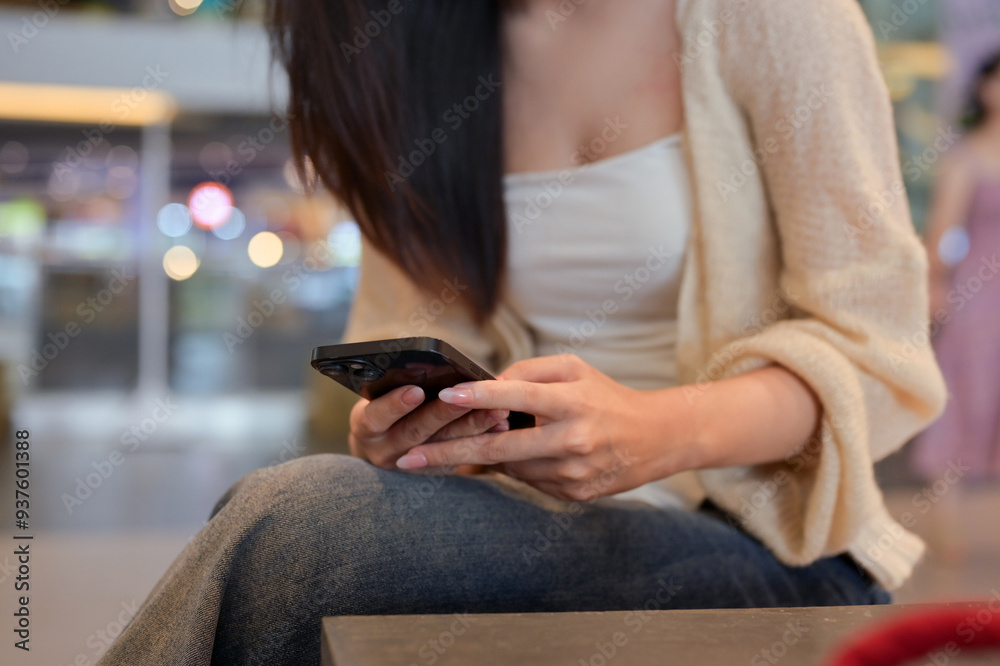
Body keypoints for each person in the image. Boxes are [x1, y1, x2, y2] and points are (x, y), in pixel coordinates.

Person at [99, 1, 947, 664]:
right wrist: (408, 431)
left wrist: (657, 432)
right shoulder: (422, 58)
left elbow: (882, 358)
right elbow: (411, 332)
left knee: (301, 528)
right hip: (529, 517)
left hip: (769, 545)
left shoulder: (772, 17)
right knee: (303, 528)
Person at [910, 50, 1000, 559]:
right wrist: (936, 284)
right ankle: (947, 524)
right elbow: (944, 230)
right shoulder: (965, 156)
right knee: (964, 393)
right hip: (979, 296)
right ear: (984, 89)